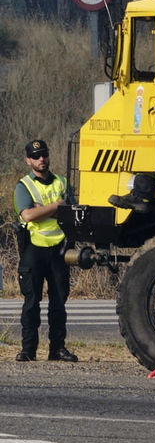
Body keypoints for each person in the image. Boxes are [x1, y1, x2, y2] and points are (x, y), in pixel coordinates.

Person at [13, 139, 76, 362]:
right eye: (36, 156)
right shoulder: (24, 186)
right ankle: (28, 350)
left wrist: (43, 210)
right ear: (28, 160)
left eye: (44, 155)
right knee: (31, 303)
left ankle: (57, 349)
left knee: (59, 303)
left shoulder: (62, 182)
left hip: (59, 249)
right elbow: (28, 215)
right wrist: (56, 206)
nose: (42, 159)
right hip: (34, 250)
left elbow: (73, 212)